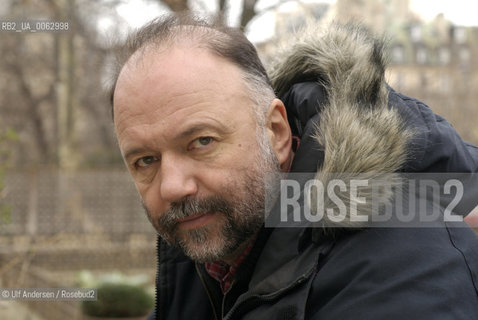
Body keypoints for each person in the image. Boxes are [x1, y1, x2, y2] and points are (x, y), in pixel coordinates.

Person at [109, 13, 478, 320]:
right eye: (145, 161)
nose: (172, 187)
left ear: (276, 132)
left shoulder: (403, 265)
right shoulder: (206, 252)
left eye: (202, 142)